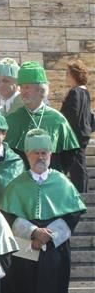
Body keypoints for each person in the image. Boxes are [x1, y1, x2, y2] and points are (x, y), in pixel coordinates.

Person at [0, 129, 87, 293]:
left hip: (56, 251)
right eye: (36, 152)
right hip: (26, 251)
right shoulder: (16, 185)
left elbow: (74, 213)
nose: (41, 156)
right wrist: (32, 233)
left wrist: (48, 236)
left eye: (44, 152)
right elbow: (8, 215)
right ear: (27, 155)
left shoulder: (62, 182)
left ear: (50, 154)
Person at [4, 62, 81, 175]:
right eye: (21, 88)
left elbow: (69, 154)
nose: (23, 92)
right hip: (21, 180)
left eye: (27, 87)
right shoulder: (12, 119)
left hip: (50, 178)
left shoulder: (57, 119)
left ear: (40, 90)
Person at [59, 59, 91, 193]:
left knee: (76, 166)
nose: (66, 77)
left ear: (74, 75)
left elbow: (73, 113)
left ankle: (80, 192)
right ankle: (82, 189)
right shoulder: (85, 92)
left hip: (75, 135)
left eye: (68, 73)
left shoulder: (75, 92)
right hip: (83, 133)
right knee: (79, 164)